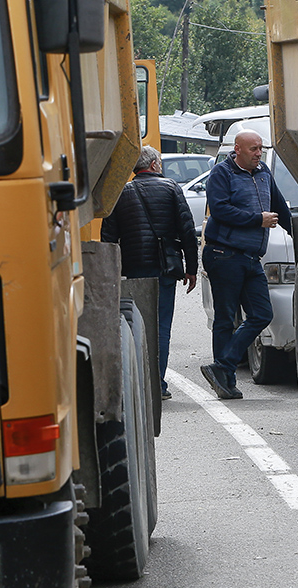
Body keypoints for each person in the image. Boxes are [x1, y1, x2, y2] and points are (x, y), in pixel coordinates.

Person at [200, 130, 292, 399]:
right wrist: (256, 219)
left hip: (252, 258)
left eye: (261, 148)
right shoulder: (222, 174)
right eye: (253, 149)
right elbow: (220, 210)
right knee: (225, 317)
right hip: (224, 254)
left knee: (262, 314)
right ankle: (226, 382)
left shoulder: (263, 173)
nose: (258, 153)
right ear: (237, 149)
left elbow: (281, 209)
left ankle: (222, 366)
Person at [101, 146, 198, 400]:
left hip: (134, 270)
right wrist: (192, 269)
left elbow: (108, 236)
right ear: (154, 165)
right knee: (161, 327)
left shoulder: (120, 192)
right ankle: (158, 385)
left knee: (137, 326)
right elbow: (187, 230)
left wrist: (112, 271)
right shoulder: (171, 188)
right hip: (165, 268)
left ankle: (139, 383)